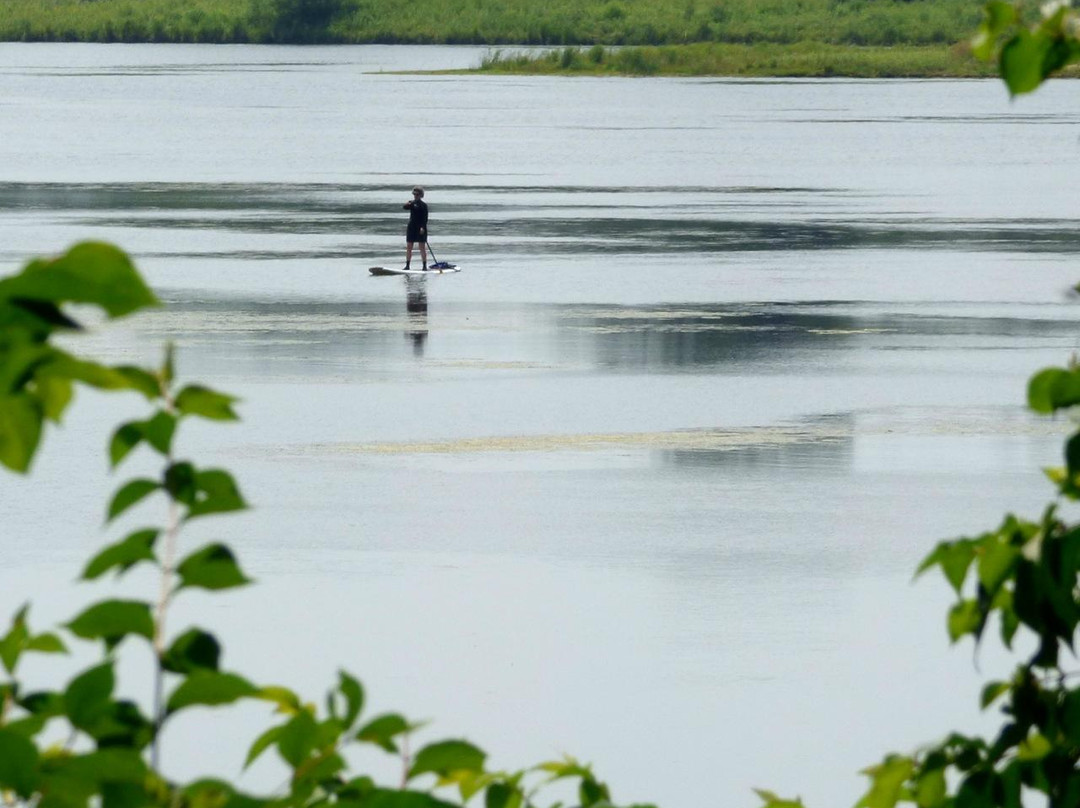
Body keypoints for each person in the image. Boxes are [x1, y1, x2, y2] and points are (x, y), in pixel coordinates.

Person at [403, 186, 428, 271]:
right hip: (412, 227)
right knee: (409, 247)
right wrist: (407, 204)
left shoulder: (423, 205)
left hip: (420, 228)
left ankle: (424, 266)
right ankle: (407, 266)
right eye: (414, 194)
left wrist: (422, 227)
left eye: (417, 194)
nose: (415, 196)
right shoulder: (412, 204)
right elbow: (404, 207)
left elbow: (425, 218)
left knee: (422, 247)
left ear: (421, 195)